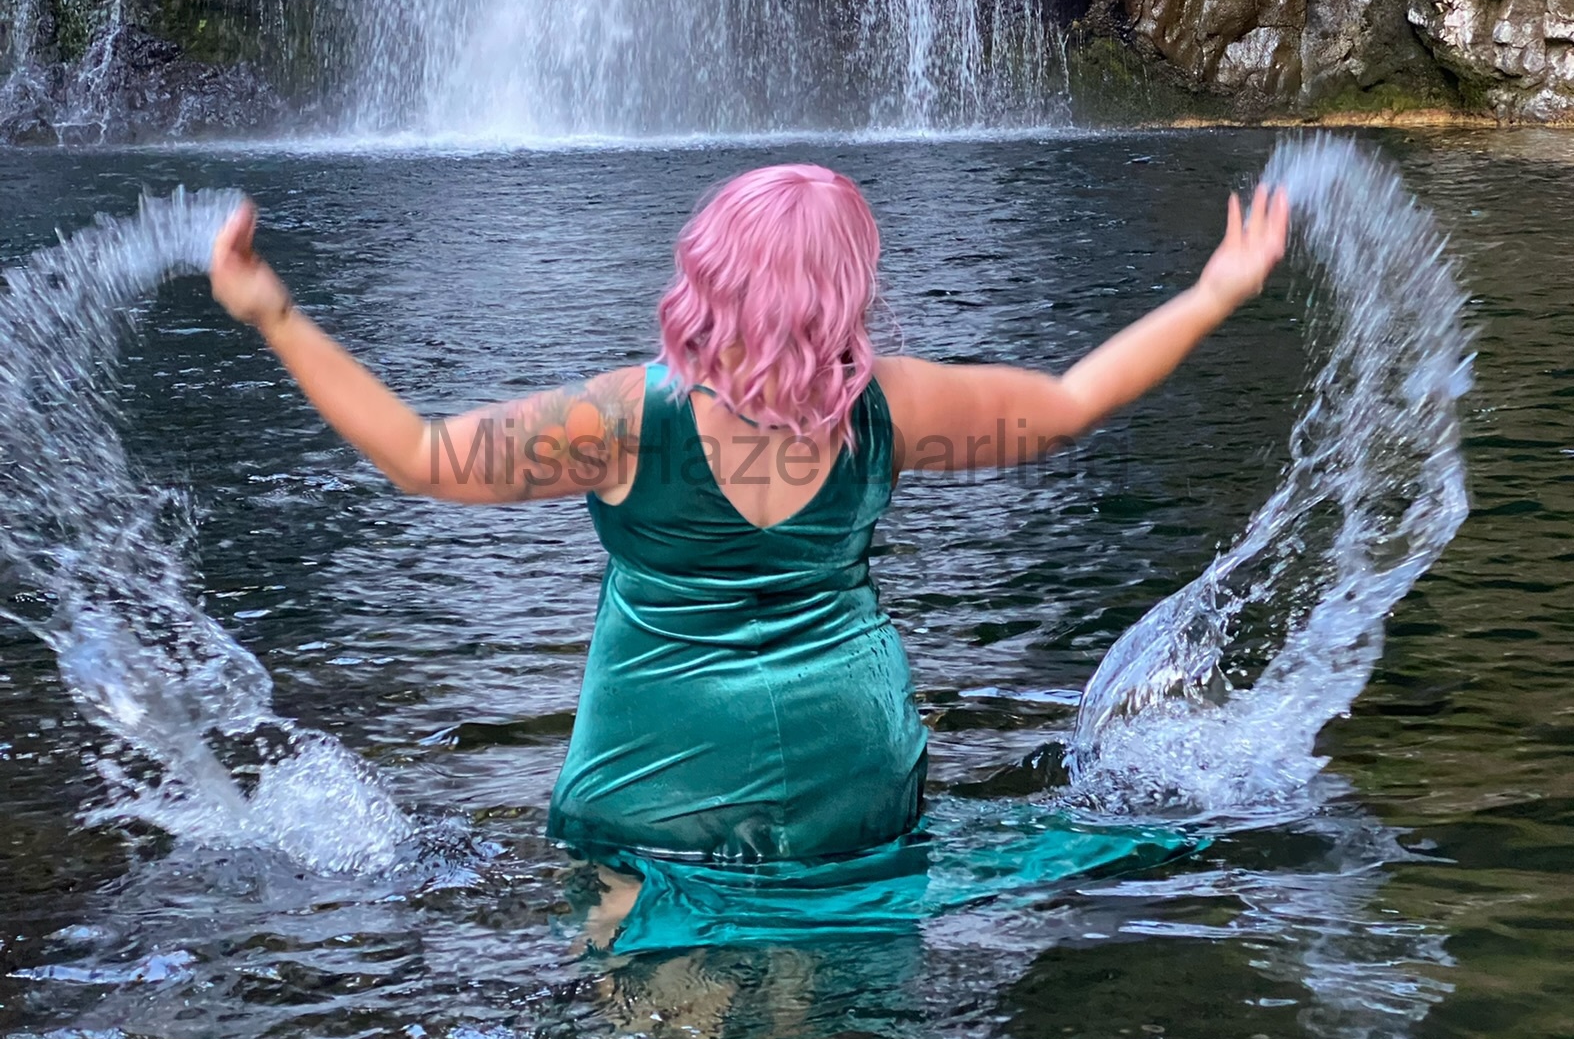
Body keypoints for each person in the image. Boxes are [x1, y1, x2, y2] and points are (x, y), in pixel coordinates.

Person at [208, 162, 1289, 947]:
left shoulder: (621, 419)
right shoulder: (889, 407)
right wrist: (1215, 291)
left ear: (708, 272)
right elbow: (1065, 405)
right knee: (856, 1023)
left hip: (656, 789)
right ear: (845, 290)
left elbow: (422, 456)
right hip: (848, 783)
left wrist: (275, 311)